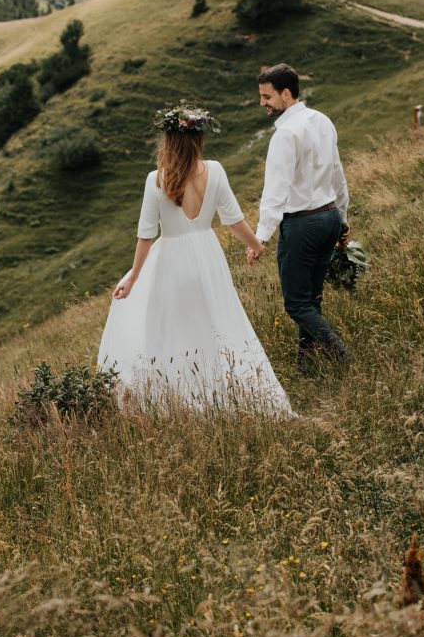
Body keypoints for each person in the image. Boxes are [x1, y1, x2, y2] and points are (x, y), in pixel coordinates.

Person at [97, 102, 294, 414]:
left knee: (170, 331)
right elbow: (233, 220)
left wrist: (133, 276)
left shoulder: (156, 180)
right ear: (198, 139)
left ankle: (181, 401)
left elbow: (146, 234)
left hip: (170, 261)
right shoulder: (214, 171)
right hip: (207, 257)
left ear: (169, 143)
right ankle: (227, 395)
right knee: (218, 324)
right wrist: (256, 245)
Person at [247, 64, 351, 371]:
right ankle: (306, 365)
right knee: (311, 299)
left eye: (267, 97)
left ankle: (341, 356)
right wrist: (342, 216)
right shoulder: (321, 120)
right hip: (329, 216)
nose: (263, 103)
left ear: (286, 94)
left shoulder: (285, 134)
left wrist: (260, 238)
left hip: (303, 224)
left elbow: (275, 191)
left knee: (296, 303)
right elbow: (338, 174)